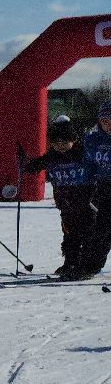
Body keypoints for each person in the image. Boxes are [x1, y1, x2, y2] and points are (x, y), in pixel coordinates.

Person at [21, 119, 95, 279]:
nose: (60, 146)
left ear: (73, 140)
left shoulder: (83, 153)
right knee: (70, 235)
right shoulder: (52, 156)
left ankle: (86, 265)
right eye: (55, 142)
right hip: (66, 204)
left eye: (64, 142)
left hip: (86, 202)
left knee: (87, 234)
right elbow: (35, 165)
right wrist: (25, 163)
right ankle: (70, 262)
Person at [75, 102, 111, 277]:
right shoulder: (94, 140)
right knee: (102, 229)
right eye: (105, 121)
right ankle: (90, 266)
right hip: (105, 186)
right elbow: (89, 166)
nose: (109, 125)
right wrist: (85, 187)